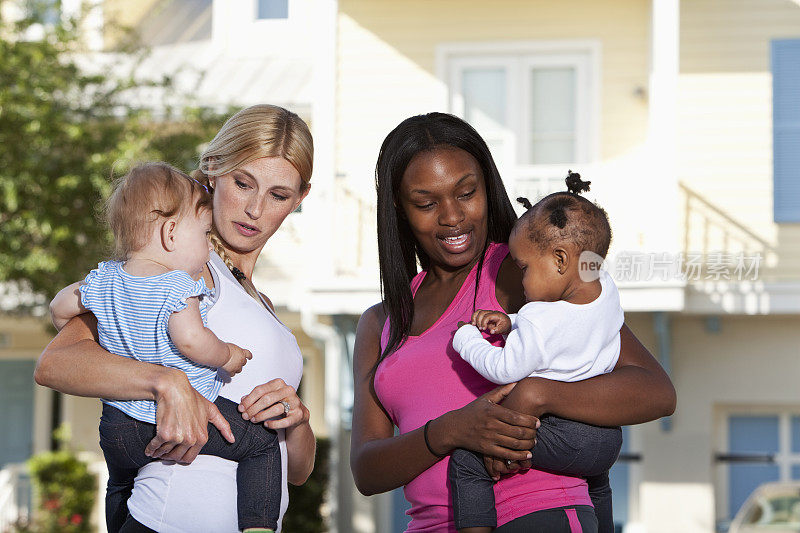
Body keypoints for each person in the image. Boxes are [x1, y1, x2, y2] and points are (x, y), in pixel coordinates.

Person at [350, 112, 676, 533]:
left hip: (539, 513)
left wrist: (539, 394)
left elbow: (655, 391)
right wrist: (448, 431)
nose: (452, 216)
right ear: (399, 207)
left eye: (466, 193)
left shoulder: (528, 273)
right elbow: (367, 470)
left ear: (488, 186)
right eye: (427, 203)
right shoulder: (380, 323)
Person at [35, 104, 316, 533]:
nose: (255, 209)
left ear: (299, 199)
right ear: (213, 170)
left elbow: (296, 472)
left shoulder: (265, 305)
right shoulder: (177, 266)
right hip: (168, 516)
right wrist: (165, 382)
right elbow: (56, 362)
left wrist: (296, 419)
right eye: (243, 183)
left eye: (278, 195)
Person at [448, 173, 624, 533]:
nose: (521, 280)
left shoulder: (540, 319)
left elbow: (503, 368)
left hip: (565, 431)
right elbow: (569, 329)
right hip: (606, 437)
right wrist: (513, 323)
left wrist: (466, 338)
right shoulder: (605, 288)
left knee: (467, 460)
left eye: (524, 267)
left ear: (560, 260)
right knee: (598, 484)